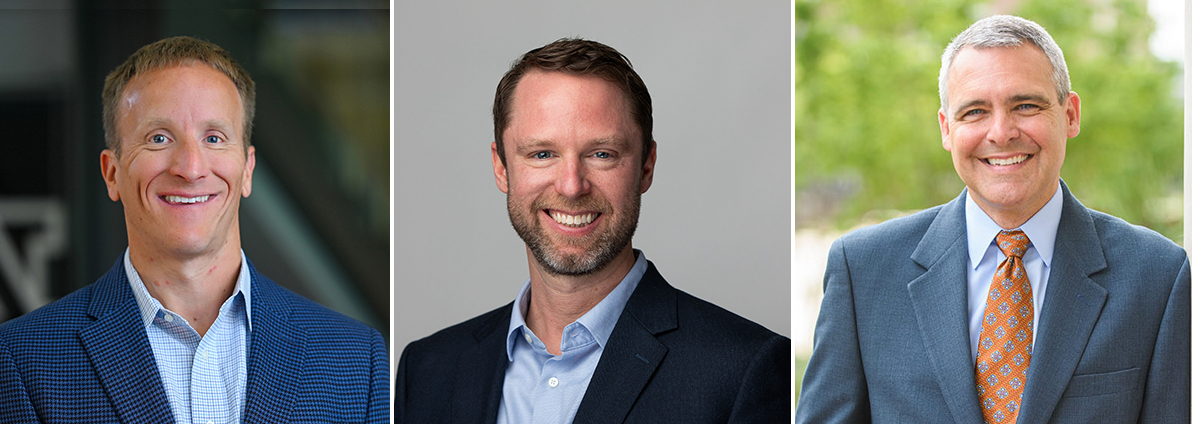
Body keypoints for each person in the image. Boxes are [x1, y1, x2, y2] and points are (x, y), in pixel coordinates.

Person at [797, 15, 1189, 423]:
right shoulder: (863, 271)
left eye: (1025, 105)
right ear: (947, 129)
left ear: (1070, 114)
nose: (1001, 133)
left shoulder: (1157, 277)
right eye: (975, 112)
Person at [0, 36, 389, 423]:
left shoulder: (358, 359)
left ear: (247, 170)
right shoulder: (21, 361)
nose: (191, 167)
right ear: (112, 174)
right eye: (159, 138)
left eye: (214, 137)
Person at [394, 38, 790, 423]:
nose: (571, 185)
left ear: (646, 167)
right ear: (501, 167)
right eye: (542, 154)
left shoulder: (744, 371)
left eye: (602, 154)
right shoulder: (427, 370)